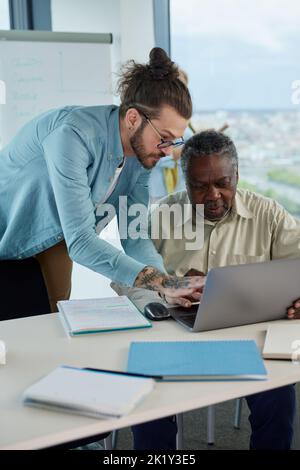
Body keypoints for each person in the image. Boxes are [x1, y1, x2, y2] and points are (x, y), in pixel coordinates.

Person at [114, 130, 300, 450]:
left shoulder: (268, 214)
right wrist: (160, 299)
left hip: (246, 340)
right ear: (184, 181)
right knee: (148, 406)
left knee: (279, 397)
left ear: (237, 176)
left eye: (223, 183)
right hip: (173, 339)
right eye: (199, 186)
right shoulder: (163, 216)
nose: (212, 195)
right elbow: (124, 280)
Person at [0, 48, 205, 313]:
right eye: (164, 138)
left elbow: (135, 236)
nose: (168, 151)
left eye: (175, 141)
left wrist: (167, 288)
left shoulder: (142, 156)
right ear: (133, 118)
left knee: (50, 318)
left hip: (52, 234)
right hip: (11, 228)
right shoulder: (72, 134)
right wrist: (161, 282)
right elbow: (82, 241)